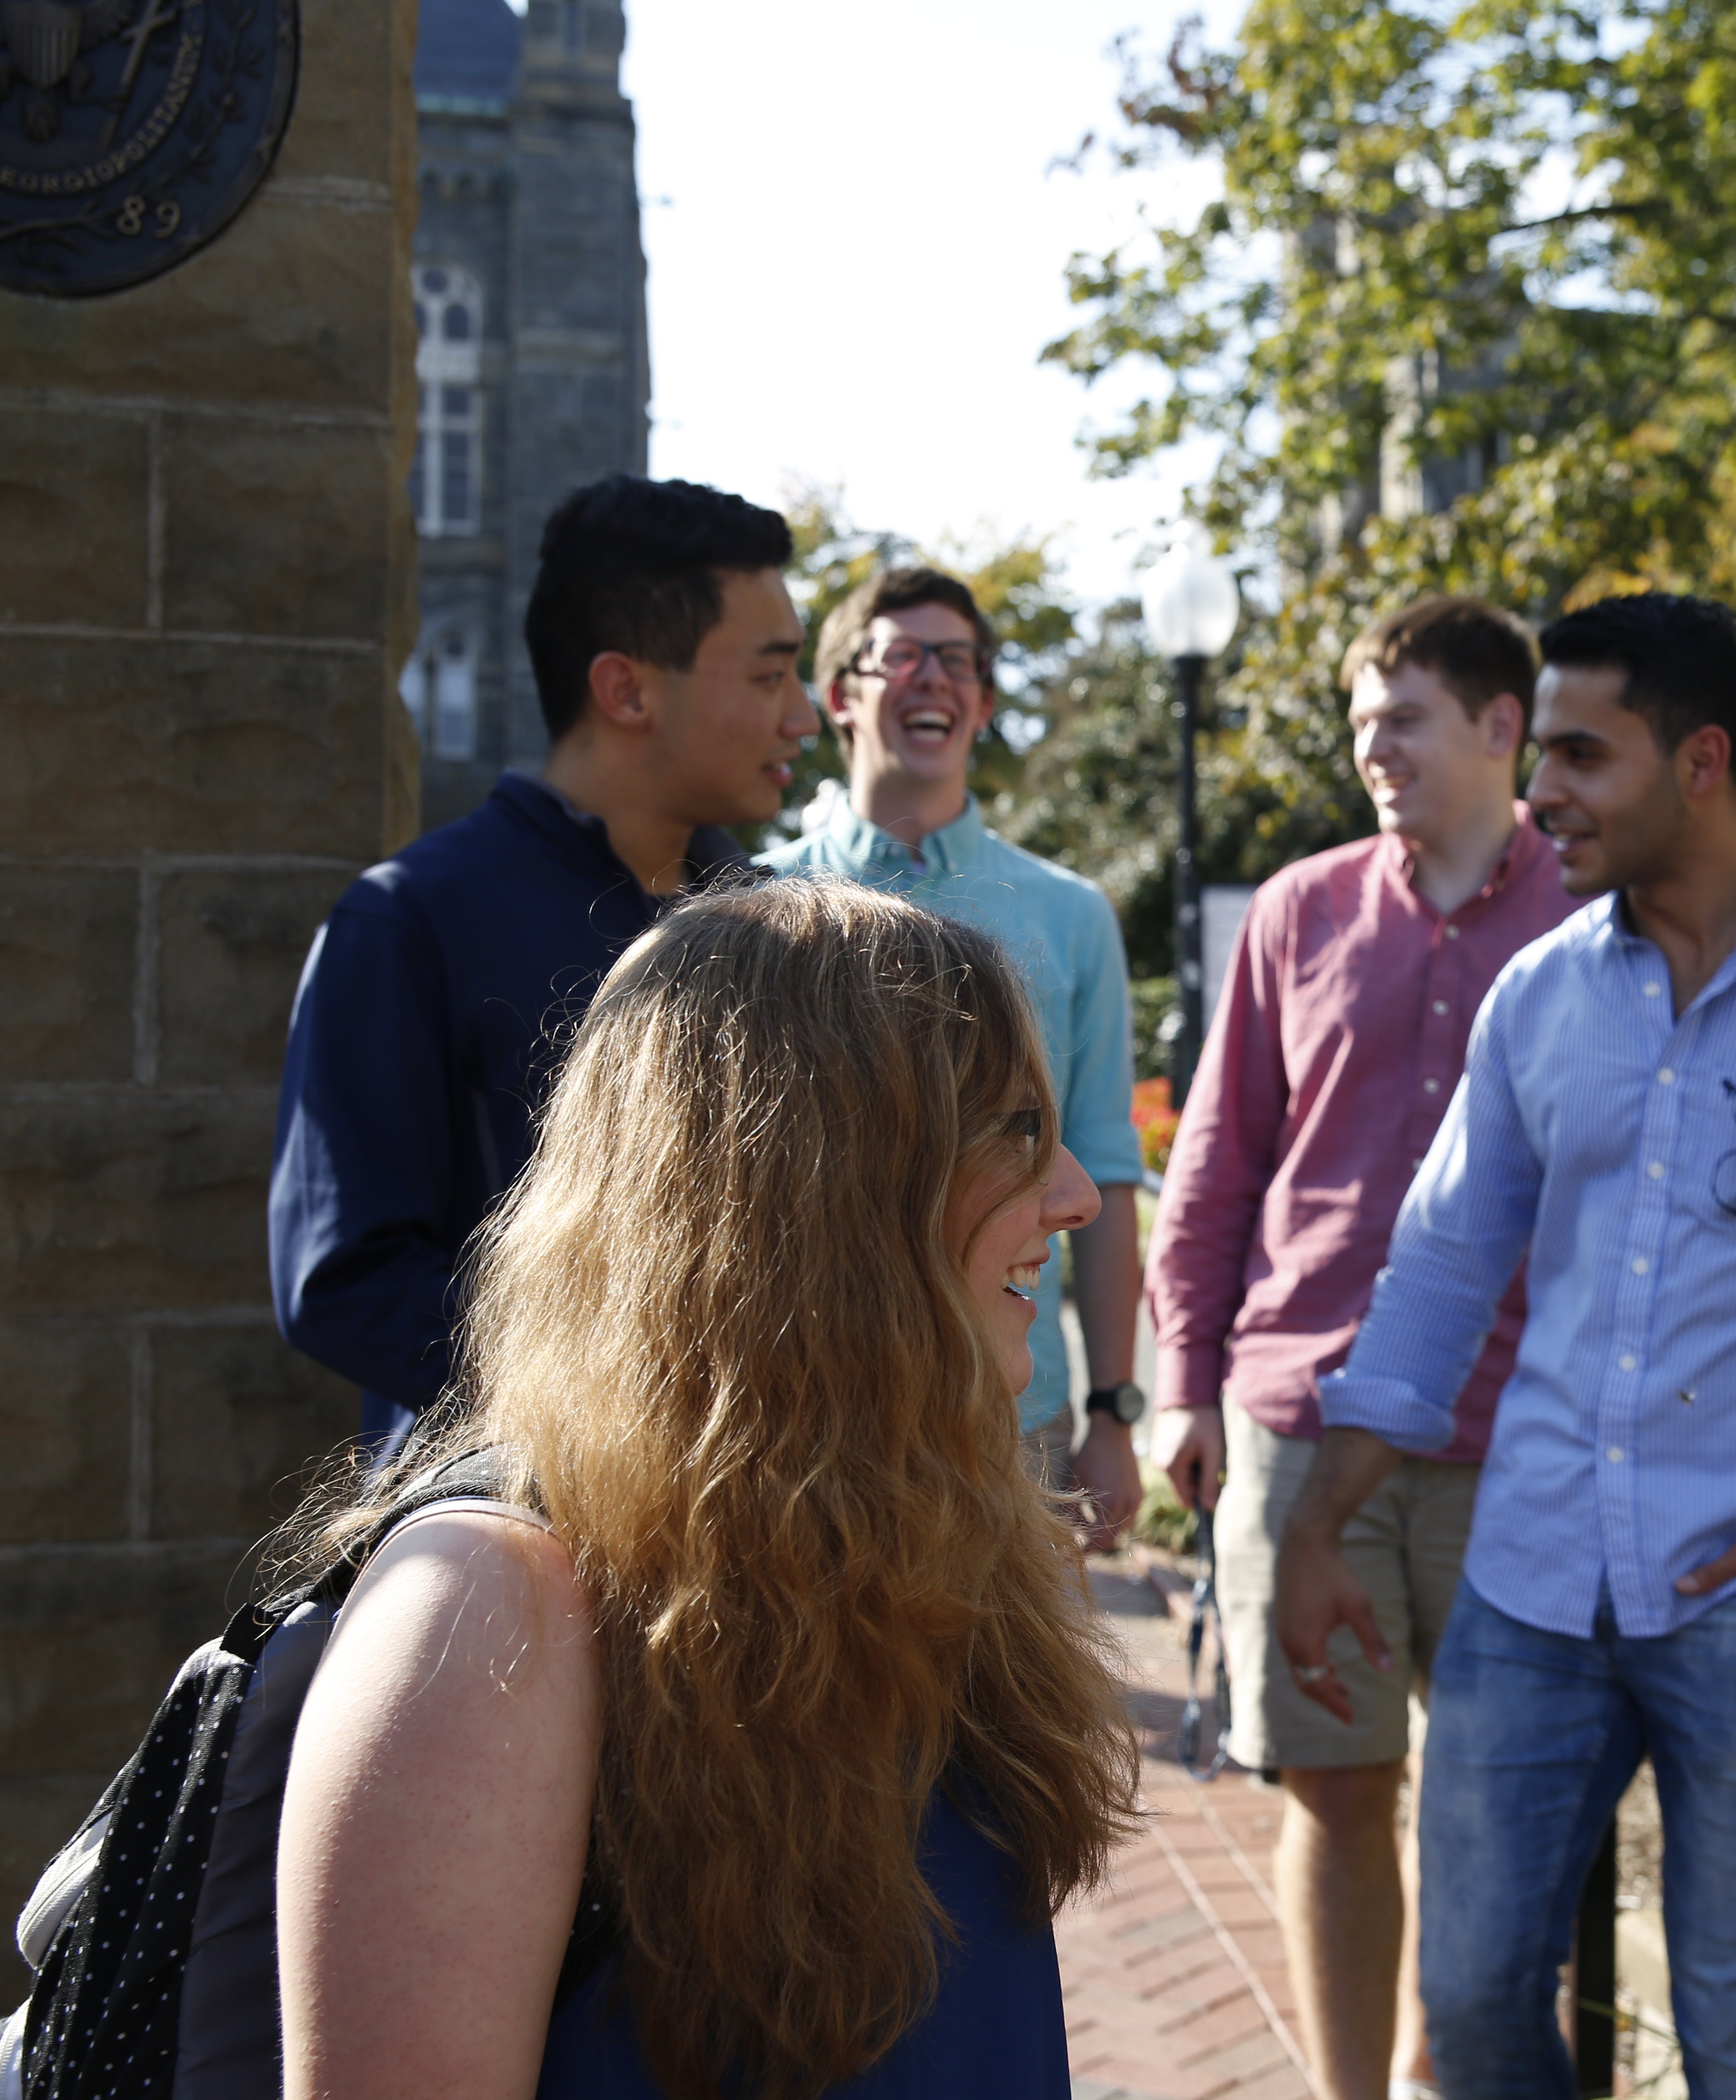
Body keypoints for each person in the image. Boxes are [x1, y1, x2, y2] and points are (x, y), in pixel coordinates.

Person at [1275, 592, 1736, 2100]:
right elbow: (1439, 1268)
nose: (1540, 790)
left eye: (1577, 753)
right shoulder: (1542, 994)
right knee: (1476, 2000)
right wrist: (1320, 1523)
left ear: (1702, 760)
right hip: (1533, 1579)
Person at [274, 879, 1141, 2096]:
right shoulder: (483, 1617)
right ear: (823, 1191)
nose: (1076, 1195)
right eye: (1007, 1129)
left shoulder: (942, 1536)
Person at [1147, 597, 1576, 2100]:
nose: (1369, 749)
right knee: (1333, 1793)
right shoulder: (1300, 909)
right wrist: (1182, 1387)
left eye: (1401, 717)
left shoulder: (1591, 916)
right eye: (1358, 724)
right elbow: (1217, 1165)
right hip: (1300, 1412)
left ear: (1501, 726)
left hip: (1516, 1431)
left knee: (1501, 1804)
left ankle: (1445, 2076)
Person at [270, 475, 813, 1458]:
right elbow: (343, 1279)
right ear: (627, 689)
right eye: (771, 676)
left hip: (760, 1536)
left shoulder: (778, 928)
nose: (805, 716)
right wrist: (636, 1402)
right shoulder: (409, 920)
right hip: (513, 1554)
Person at [760, 565, 1148, 1543]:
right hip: (809, 1416)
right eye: (903, 656)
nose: (935, 677)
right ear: (842, 695)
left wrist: (1113, 1411)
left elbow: (1102, 1169)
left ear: (979, 703)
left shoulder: (1070, 915)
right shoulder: (751, 909)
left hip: (1018, 1419)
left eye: (960, 661)